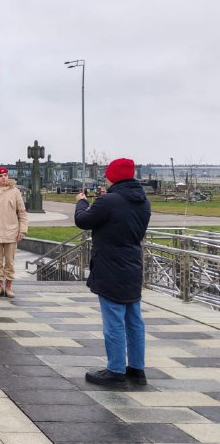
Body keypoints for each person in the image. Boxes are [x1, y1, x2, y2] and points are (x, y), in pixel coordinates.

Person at [75, 158, 151, 388]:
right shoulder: (143, 201)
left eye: (108, 175)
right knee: (134, 318)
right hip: (132, 263)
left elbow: (83, 220)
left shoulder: (110, 201)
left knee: (114, 319)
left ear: (115, 176)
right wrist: (102, 200)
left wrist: (81, 202)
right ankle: (137, 369)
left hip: (110, 265)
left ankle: (116, 370)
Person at [0, 167, 28, 298]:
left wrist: (22, 230)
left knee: (9, 261)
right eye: (1, 176)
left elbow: (22, 212)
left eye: (6, 175)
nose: (4, 178)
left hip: (11, 232)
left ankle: (8, 286)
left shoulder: (15, 192)